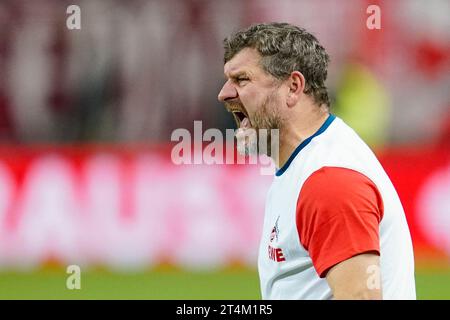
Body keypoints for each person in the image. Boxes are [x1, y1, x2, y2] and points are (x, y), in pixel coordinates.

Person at [217, 22, 416, 300]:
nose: (224, 93)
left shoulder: (329, 180)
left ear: (293, 87)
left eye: (242, 80)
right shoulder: (307, 166)